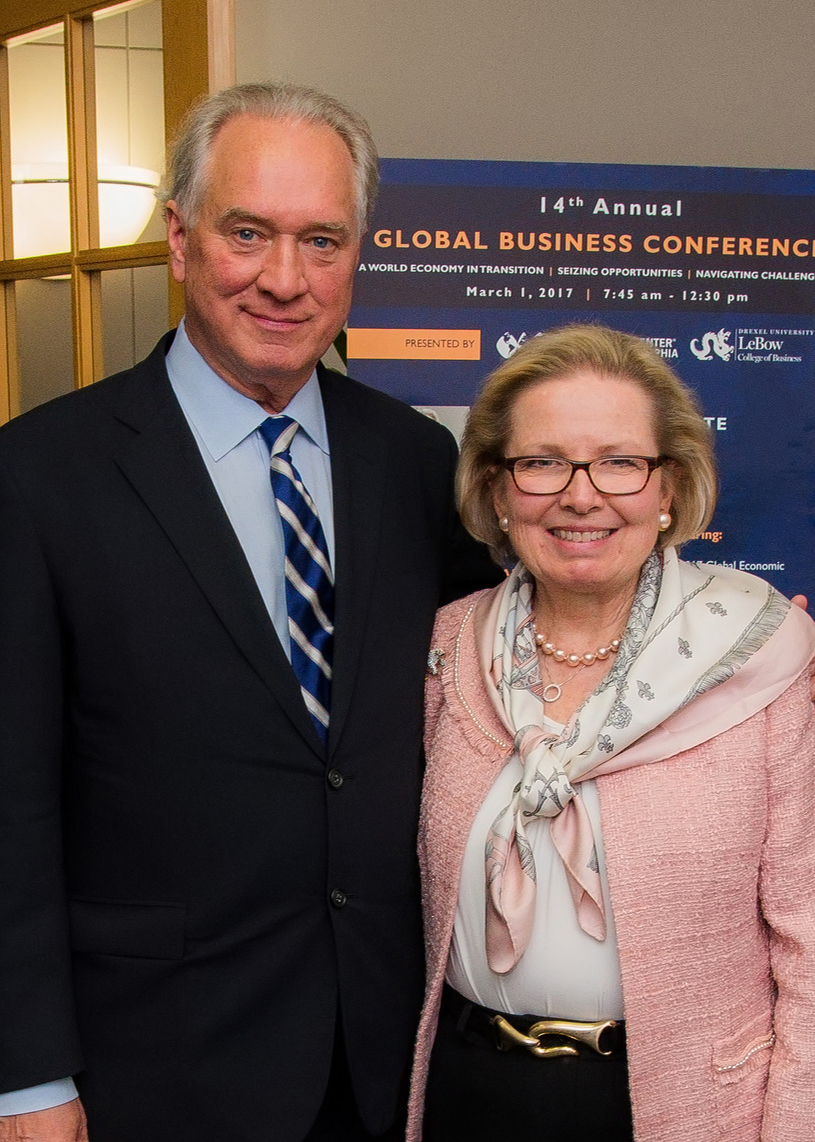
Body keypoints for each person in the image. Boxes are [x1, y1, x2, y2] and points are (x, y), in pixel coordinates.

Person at [0, 83, 499, 1142]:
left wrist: (713, 644)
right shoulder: (38, 476)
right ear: (180, 240)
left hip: (387, 1058)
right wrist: (27, 1078)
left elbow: (514, 672)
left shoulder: (414, 461)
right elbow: (9, 801)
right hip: (151, 1064)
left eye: (321, 240)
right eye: (247, 233)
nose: (284, 278)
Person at [406, 324, 815, 1141]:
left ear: (668, 488)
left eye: (619, 462)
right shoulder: (447, 649)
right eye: (542, 462)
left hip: (689, 1108)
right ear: (497, 491)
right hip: (469, 1093)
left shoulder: (760, 655)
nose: (581, 495)